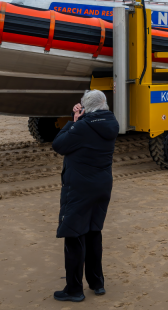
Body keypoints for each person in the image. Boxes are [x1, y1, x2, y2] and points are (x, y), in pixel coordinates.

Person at [52, 90, 118, 302]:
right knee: (93, 232)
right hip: (102, 186)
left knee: (74, 235)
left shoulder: (82, 126)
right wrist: (80, 119)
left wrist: (72, 122)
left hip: (80, 187)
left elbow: (59, 145)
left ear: (86, 107)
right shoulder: (111, 122)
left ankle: (74, 289)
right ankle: (97, 283)